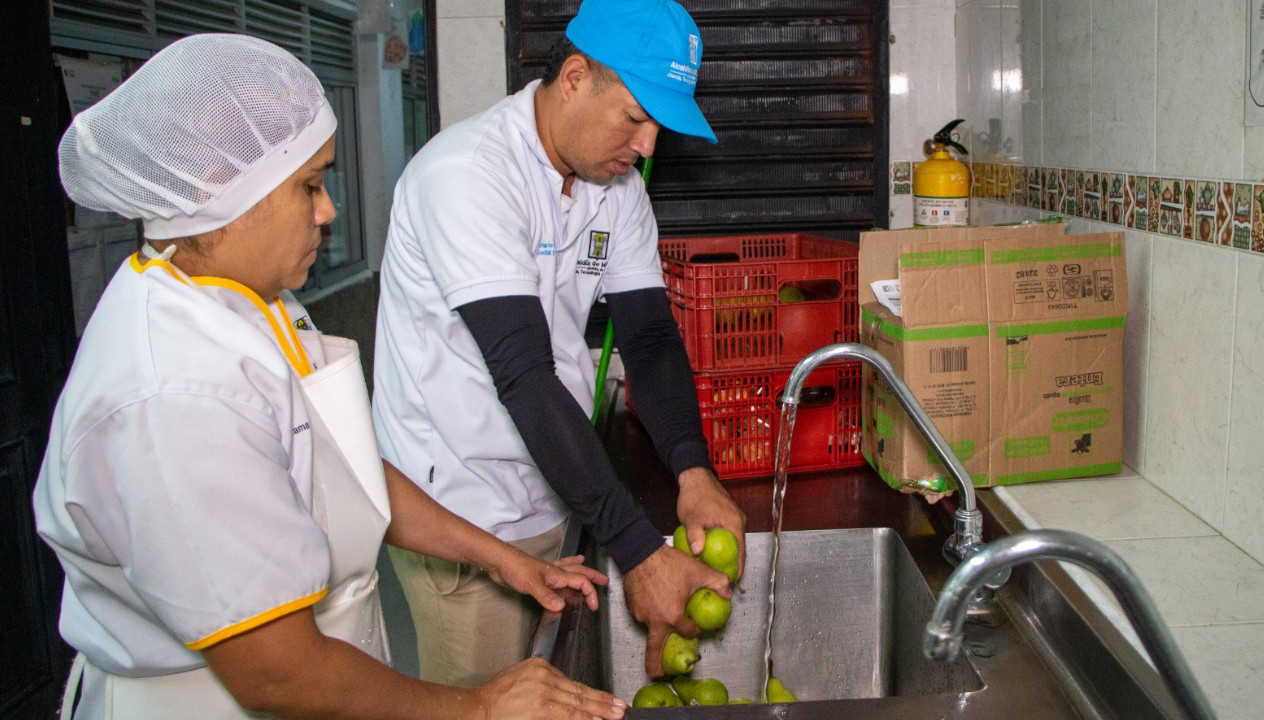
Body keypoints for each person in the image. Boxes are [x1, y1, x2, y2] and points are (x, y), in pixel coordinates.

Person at [33, 33, 624, 720]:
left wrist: (499, 558)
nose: (328, 211)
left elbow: (341, 473)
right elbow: (278, 674)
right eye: (309, 186)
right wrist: (480, 708)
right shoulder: (175, 392)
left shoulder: (249, 303)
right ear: (220, 190)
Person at [373, 0, 747, 684]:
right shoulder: (467, 174)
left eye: (658, 127)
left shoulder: (616, 187)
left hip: (560, 485)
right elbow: (523, 373)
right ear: (574, 77)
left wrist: (694, 472)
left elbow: (650, 338)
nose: (648, 146)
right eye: (635, 118)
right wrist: (639, 549)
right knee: (485, 701)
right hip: (465, 510)